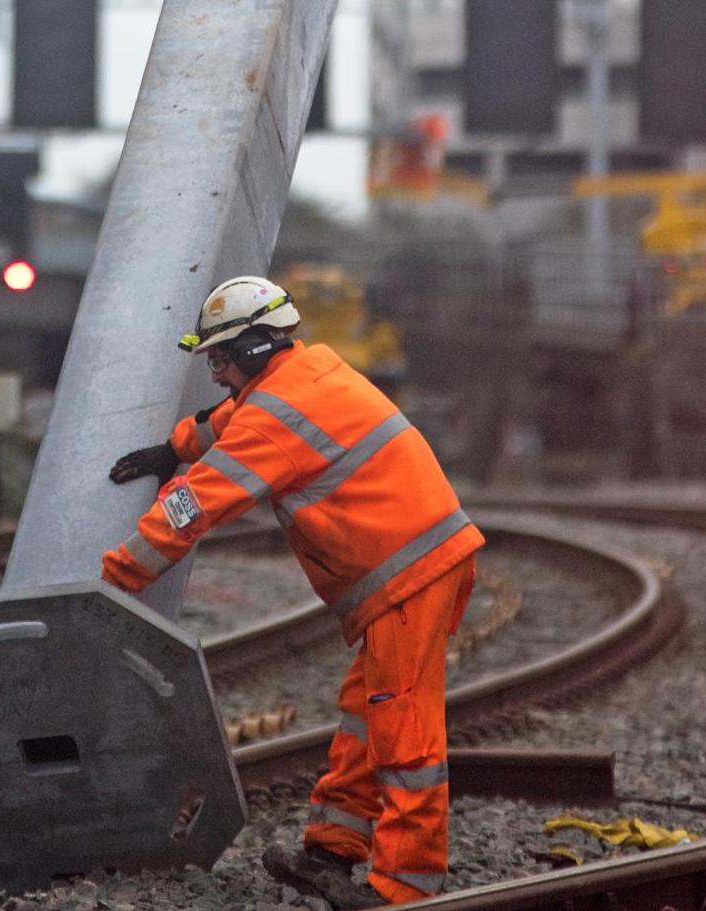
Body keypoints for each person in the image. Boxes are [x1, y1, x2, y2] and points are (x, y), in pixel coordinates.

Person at [101, 275, 483, 908]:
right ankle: (333, 847)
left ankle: (404, 890)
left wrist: (115, 581)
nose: (216, 371)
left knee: (402, 730)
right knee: (368, 713)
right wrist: (174, 448)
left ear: (253, 348)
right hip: (418, 570)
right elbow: (237, 418)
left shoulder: (278, 417)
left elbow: (193, 508)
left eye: (220, 357)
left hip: (410, 576)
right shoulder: (308, 375)